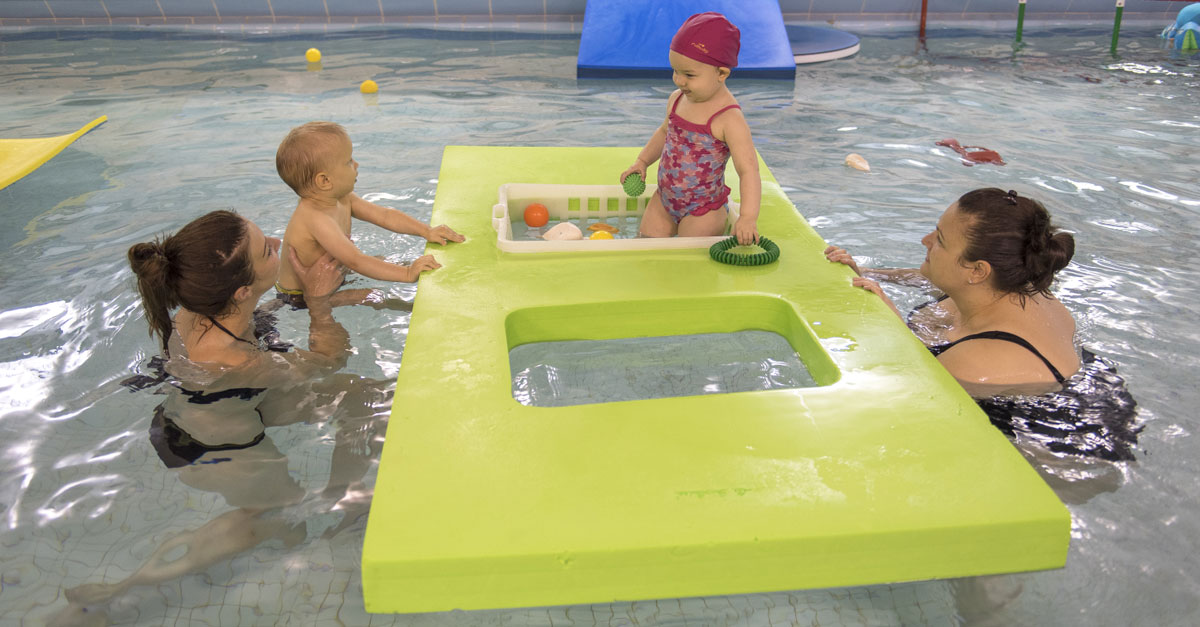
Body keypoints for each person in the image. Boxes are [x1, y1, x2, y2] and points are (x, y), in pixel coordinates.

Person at [64, 210, 384, 612]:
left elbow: (266, 316)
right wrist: (319, 302)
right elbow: (328, 360)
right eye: (266, 250)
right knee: (282, 523)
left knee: (361, 394)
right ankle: (122, 593)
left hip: (232, 406)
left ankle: (341, 494)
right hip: (214, 445)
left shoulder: (201, 304)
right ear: (240, 293)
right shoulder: (233, 360)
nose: (277, 241)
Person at [825, 188, 1139, 461]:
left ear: (977, 271)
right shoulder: (1018, 284)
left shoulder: (978, 362)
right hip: (1082, 382)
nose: (925, 240)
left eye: (941, 240)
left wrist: (888, 318)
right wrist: (867, 272)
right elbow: (934, 278)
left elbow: (905, 388)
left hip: (1061, 442)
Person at [273, 121, 464, 308]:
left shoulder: (342, 198)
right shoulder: (316, 218)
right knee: (371, 296)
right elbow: (356, 260)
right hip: (299, 298)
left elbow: (385, 215)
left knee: (386, 262)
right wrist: (407, 274)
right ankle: (412, 309)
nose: (356, 164)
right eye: (348, 161)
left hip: (336, 274)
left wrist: (427, 231)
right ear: (324, 180)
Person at [619, 12, 761, 245]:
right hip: (664, 200)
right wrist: (642, 161)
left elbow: (748, 170)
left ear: (721, 73)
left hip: (704, 210)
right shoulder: (677, 99)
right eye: (675, 70)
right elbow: (664, 133)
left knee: (690, 258)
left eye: (689, 75)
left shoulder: (729, 118)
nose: (679, 80)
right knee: (645, 246)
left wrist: (747, 217)